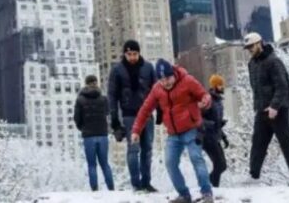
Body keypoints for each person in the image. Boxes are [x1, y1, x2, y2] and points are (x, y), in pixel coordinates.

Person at [132, 60, 214, 203]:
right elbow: (145, 110)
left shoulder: (188, 81)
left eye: (168, 78)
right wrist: (136, 130)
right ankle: (184, 194)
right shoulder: (157, 89)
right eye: (162, 80)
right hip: (173, 134)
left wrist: (205, 101)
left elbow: (204, 95)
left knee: (196, 158)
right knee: (170, 162)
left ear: (173, 74)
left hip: (191, 128)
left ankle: (206, 192)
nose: (166, 83)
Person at [245, 32, 289, 180]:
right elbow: (255, 88)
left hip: (279, 110)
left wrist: (274, 107)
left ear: (259, 43)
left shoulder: (274, 61)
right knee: (257, 143)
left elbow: (282, 86)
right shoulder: (251, 64)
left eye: (251, 46)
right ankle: (253, 176)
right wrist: (258, 107)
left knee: (285, 142)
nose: (249, 49)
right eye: (248, 47)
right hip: (261, 110)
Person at [108, 39, 158, 193]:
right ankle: (136, 184)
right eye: (129, 54)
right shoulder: (117, 70)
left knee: (148, 149)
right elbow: (112, 95)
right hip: (129, 115)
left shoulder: (148, 68)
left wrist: (161, 111)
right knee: (133, 149)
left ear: (139, 53)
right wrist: (115, 120)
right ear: (125, 54)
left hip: (147, 114)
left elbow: (157, 91)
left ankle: (146, 182)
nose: (132, 57)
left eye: (135, 54)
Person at [74, 74, 114, 192]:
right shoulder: (103, 99)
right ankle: (111, 188)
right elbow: (107, 113)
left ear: (86, 84)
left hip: (88, 136)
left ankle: (94, 189)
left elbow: (77, 118)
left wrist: (82, 128)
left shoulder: (80, 99)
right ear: (97, 83)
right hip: (102, 134)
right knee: (105, 164)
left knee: (92, 165)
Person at [201, 74, 228, 187]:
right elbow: (199, 118)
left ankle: (211, 186)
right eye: (221, 85)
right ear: (215, 86)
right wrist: (210, 124)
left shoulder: (218, 101)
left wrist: (224, 137)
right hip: (206, 137)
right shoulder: (208, 99)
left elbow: (217, 122)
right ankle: (209, 185)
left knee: (222, 165)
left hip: (215, 136)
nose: (223, 87)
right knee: (219, 164)